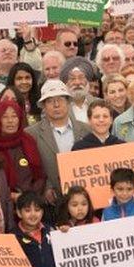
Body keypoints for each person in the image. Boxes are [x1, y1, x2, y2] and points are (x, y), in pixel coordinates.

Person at [26, 79, 91, 207]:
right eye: (50, 101)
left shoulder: (87, 130)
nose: (56, 105)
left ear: (68, 102)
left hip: (84, 200)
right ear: (43, 106)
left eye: (60, 99)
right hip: (51, 203)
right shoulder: (31, 134)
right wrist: (45, 187)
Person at [0, 99, 46, 201]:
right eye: (5, 116)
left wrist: (28, 197)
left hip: (29, 204)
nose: (10, 121)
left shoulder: (28, 141)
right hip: (0, 203)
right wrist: (10, 196)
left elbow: (40, 176)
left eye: (14, 116)